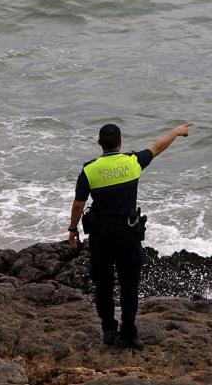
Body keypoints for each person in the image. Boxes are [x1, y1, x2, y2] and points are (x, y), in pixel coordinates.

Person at [68, 121, 192, 350]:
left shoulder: (89, 170)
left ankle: (108, 329)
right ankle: (128, 333)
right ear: (120, 142)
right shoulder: (132, 162)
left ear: (99, 143)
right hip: (127, 233)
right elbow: (157, 147)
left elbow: (78, 204)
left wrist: (73, 229)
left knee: (103, 284)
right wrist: (176, 131)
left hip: (101, 235)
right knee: (129, 284)